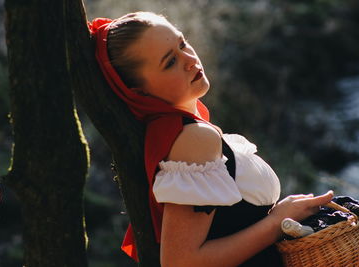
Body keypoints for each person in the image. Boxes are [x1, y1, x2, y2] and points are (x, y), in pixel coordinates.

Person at [89, 12, 334, 267]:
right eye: (170, 61)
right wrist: (276, 223)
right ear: (139, 91)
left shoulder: (175, 133)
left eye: (182, 44)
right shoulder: (193, 140)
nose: (189, 60)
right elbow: (181, 262)